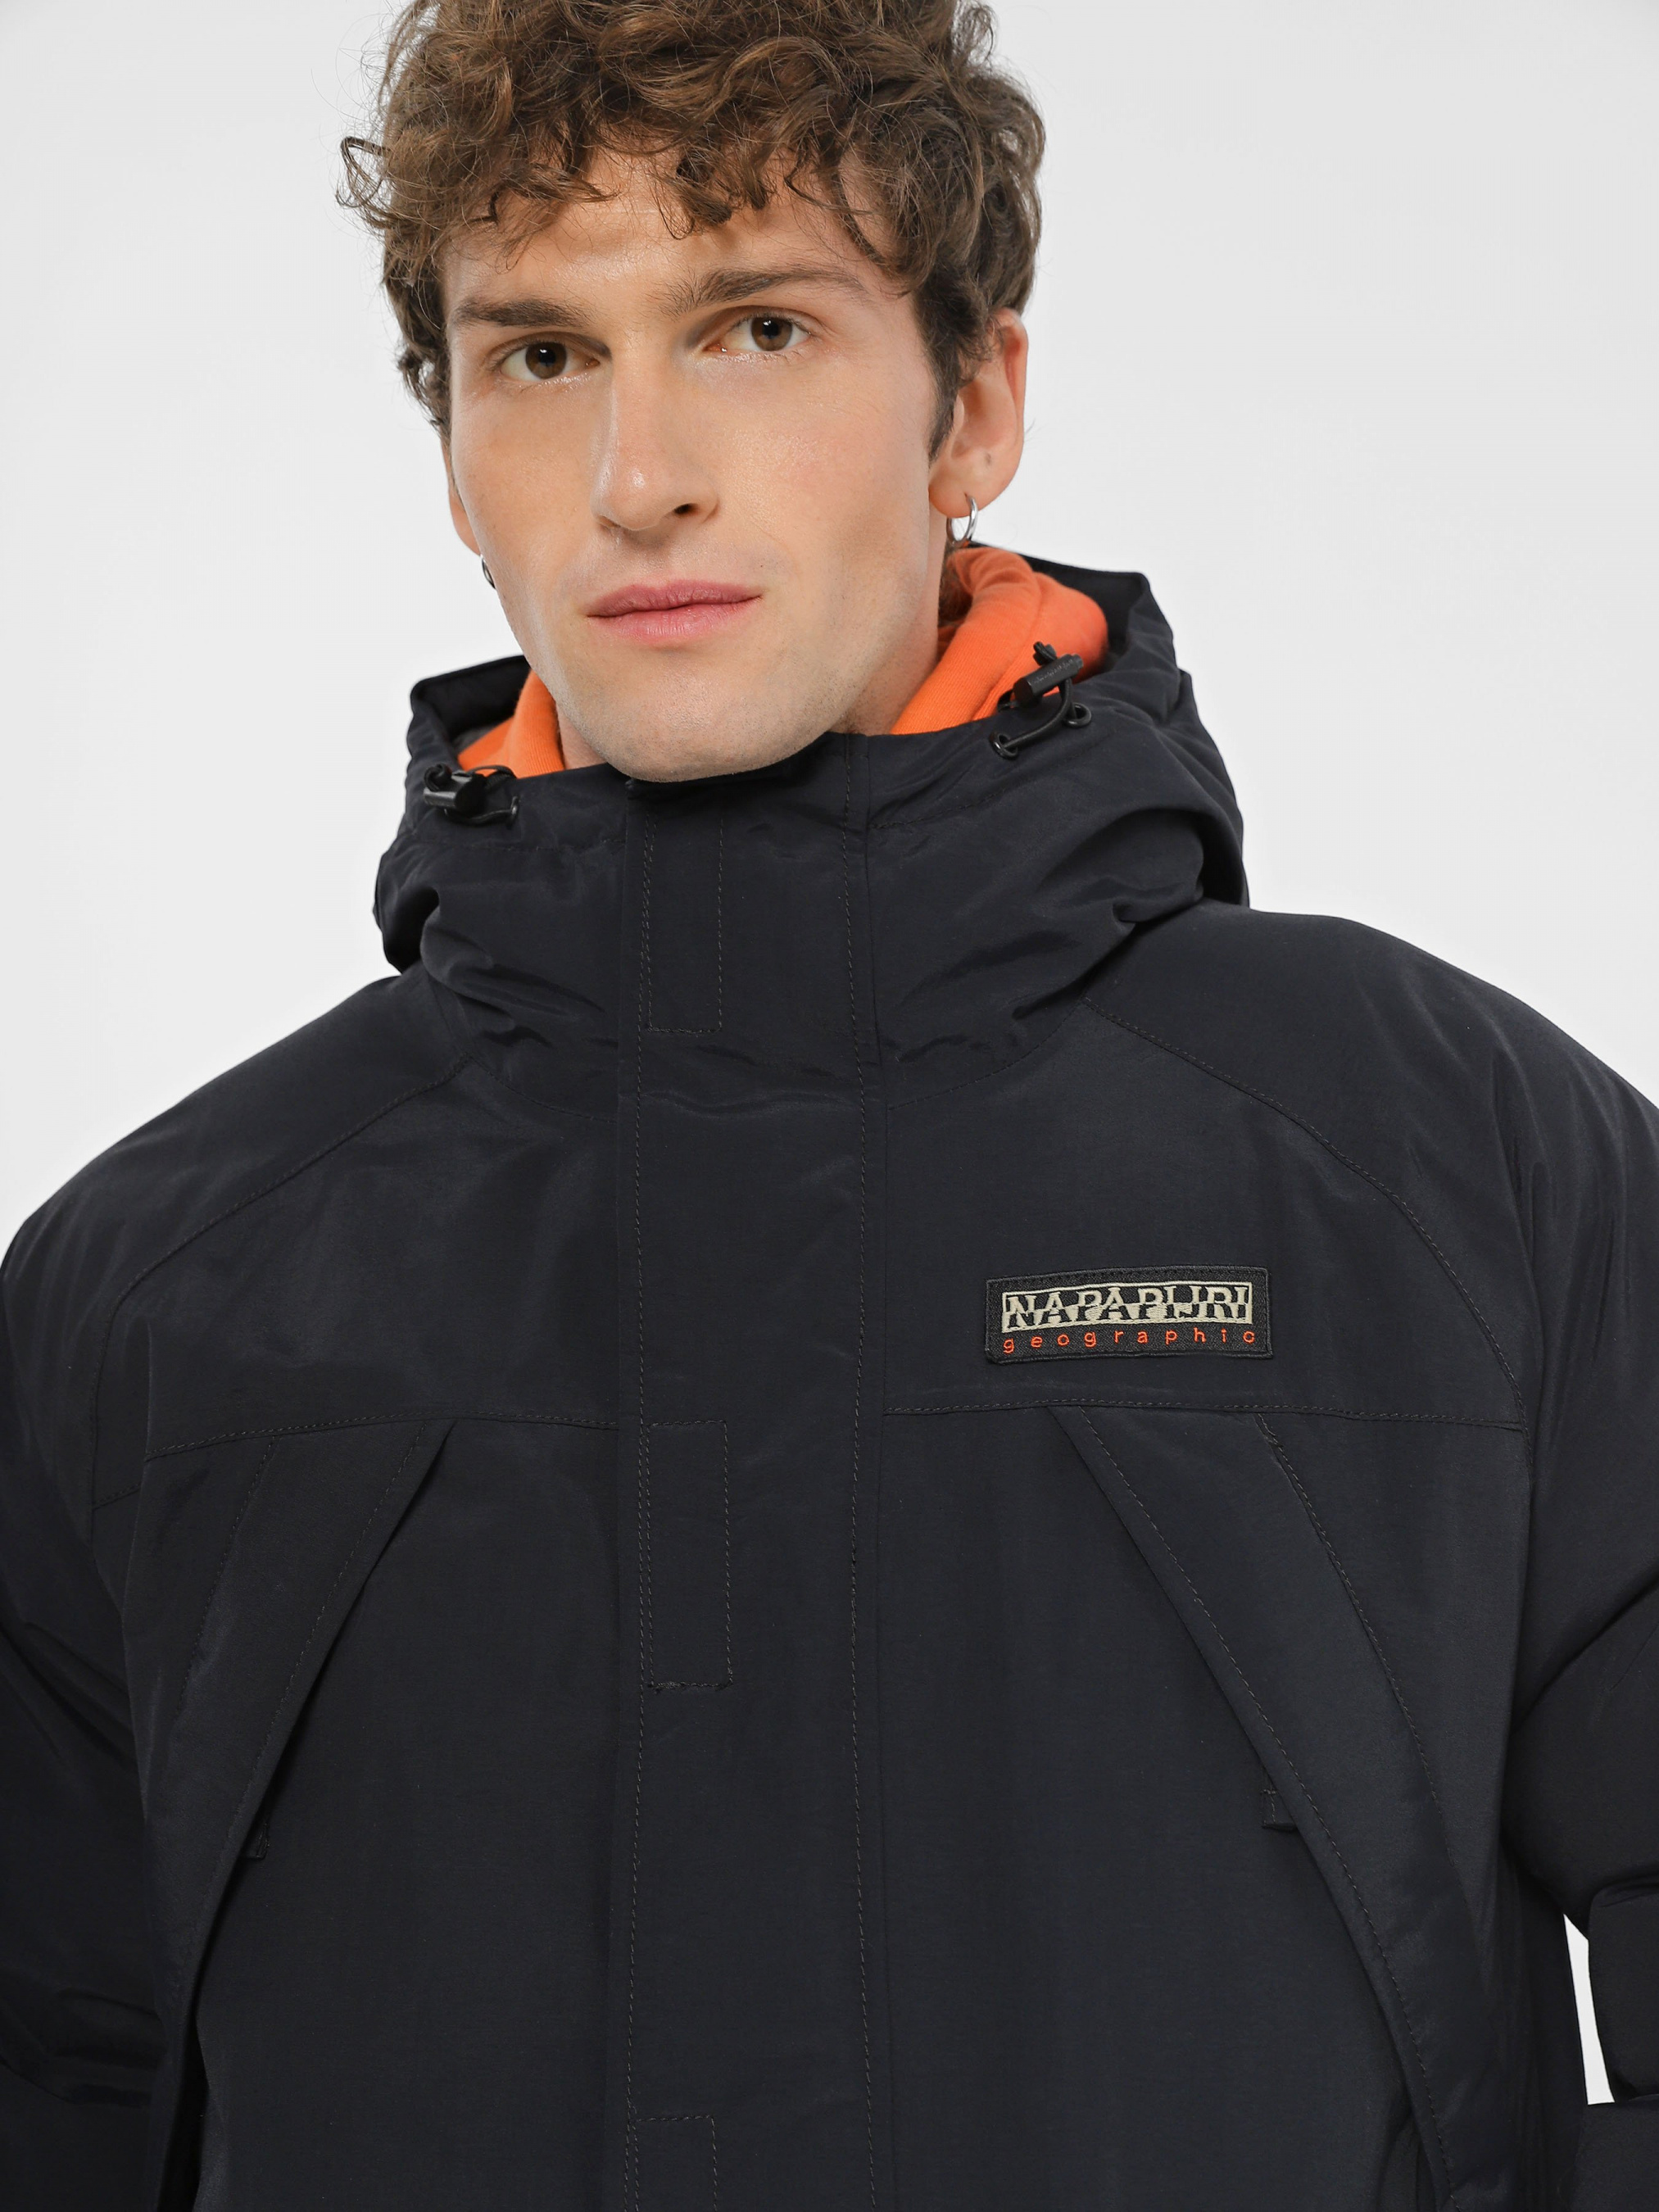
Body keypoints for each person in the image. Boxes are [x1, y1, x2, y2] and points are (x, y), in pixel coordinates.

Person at [2, 0, 1654, 2205]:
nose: (640, 476)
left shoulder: (1449, 1161)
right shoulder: (156, 1287)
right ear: (455, 463)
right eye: (541, 356)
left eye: (757, 328)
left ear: (973, 404)